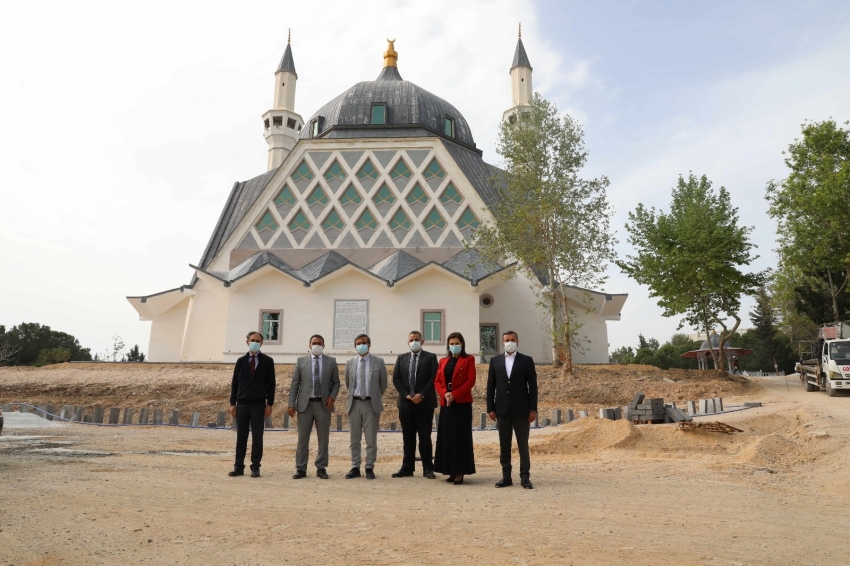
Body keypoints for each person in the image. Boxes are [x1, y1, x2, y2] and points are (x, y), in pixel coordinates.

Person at [486, 330, 537, 489]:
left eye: (512, 339)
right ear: (502, 342)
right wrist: (490, 408)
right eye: (507, 340)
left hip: (521, 410)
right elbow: (490, 386)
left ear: (517, 341)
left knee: (523, 444)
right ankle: (506, 476)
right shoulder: (495, 361)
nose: (509, 342)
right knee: (504, 444)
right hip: (502, 409)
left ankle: (525, 477)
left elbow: (533, 387)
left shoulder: (526, 361)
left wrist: (533, 409)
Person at [288, 334, 340, 479]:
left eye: (319, 343)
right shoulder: (301, 361)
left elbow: (336, 383)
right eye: (314, 343)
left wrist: (332, 396)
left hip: (323, 405)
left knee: (323, 438)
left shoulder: (331, 361)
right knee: (302, 438)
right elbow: (295, 384)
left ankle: (321, 467)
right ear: (309, 345)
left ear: (324, 345)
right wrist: (291, 404)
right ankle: (301, 468)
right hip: (305, 405)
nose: (316, 345)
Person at [391, 330, 438, 479]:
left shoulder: (430, 357)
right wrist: (406, 395)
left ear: (422, 342)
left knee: (425, 438)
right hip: (406, 404)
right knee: (408, 437)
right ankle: (407, 468)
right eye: (411, 340)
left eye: (417, 340)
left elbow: (433, 378)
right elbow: (396, 378)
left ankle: (428, 469)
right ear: (408, 342)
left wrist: (421, 395)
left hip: (425, 403)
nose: (414, 342)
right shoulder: (401, 358)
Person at [228, 331, 275, 478]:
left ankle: (255, 466)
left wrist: (269, 404)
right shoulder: (241, 361)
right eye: (252, 340)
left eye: (257, 340)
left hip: (258, 404)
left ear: (261, 343)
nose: (255, 342)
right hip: (242, 403)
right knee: (241, 436)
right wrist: (232, 403)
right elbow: (235, 383)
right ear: (247, 341)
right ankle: (238, 466)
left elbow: (271, 385)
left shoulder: (267, 361)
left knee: (257, 436)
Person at [433, 331, 476, 484]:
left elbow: (470, 380)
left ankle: (460, 471)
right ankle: (449, 470)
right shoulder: (443, 361)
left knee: (460, 437)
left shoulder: (468, 359)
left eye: (457, 343)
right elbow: (437, 381)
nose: (454, 346)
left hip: (462, 403)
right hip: (446, 404)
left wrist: (455, 395)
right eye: (451, 344)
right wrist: (445, 394)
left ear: (462, 344)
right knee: (447, 437)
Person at [344, 334, 388, 480]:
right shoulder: (350, 362)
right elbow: (348, 383)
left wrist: (373, 395)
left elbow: (383, 384)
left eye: (363, 343)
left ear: (369, 344)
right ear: (354, 345)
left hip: (371, 404)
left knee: (371, 439)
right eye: (358, 343)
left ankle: (369, 466)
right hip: (354, 403)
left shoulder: (378, 362)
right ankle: (355, 466)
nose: (360, 345)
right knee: (354, 438)